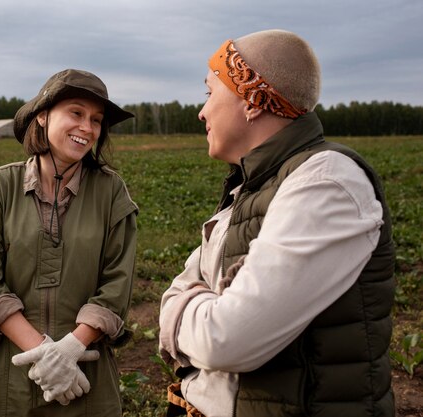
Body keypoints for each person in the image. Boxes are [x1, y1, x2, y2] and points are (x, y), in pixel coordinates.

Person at [159, 29, 395, 417]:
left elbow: (225, 339)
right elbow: (185, 285)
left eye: (209, 93)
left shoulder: (325, 183)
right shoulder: (255, 185)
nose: (201, 112)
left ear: (252, 101)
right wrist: (205, 301)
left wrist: (181, 310)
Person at [0, 68, 138, 416]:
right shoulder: (0, 187)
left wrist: (71, 349)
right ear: (42, 115)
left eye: (96, 120)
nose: (87, 127)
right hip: (9, 376)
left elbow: (118, 282)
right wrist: (44, 355)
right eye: (76, 112)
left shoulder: (111, 192)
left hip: (87, 375)